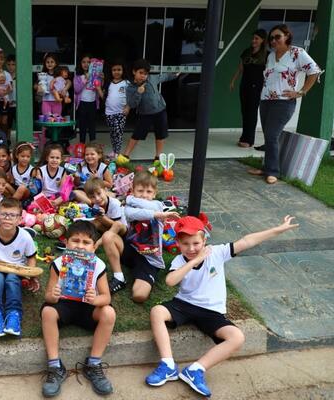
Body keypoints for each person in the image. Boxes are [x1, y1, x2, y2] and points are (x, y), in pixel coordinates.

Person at [145, 215, 298, 397]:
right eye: (185, 244)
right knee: (157, 311)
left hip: (211, 312)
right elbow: (170, 281)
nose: (191, 248)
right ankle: (168, 365)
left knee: (237, 337)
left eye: (196, 243)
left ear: (204, 241)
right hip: (184, 304)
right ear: (178, 243)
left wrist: (277, 230)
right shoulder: (179, 261)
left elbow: (247, 241)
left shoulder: (217, 252)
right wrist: (194, 261)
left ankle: (195, 370)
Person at [40, 220, 115, 397]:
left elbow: (106, 297)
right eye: (75, 240)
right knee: (47, 311)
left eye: (86, 242)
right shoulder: (59, 264)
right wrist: (54, 294)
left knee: (109, 312)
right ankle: (55, 366)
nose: (80, 246)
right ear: (66, 243)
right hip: (64, 305)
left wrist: (95, 299)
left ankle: (93, 364)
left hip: (88, 307)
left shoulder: (98, 265)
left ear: (94, 247)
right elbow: (48, 296)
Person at [247, 24, 321, 184]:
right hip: (266, 100)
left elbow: (314, 71)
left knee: (272, 135)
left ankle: (273, 172)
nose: (274, 40)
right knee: (268, 136)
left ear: (287, 36)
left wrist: (301, 91)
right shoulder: (271, 56)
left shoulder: (297, 53)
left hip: (283, 103)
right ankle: (266, 168)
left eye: (278, 37)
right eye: (271, 38)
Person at [101, 171, 179, 298]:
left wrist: (130, 198)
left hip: (150, 258)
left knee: (139, 296)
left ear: (154, 193)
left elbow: (150, 207)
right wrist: (157, 215)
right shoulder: (129, 208)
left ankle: (140, 274)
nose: (144, 195)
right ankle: (119, 278)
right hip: (131, 250)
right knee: (108, 236)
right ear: (133, 190)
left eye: (148, 192)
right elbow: (135, 214)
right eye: (140, 191)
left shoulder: (157, 205)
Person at [0, 198, 40, 337]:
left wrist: (31, 276)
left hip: (16, 270)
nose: (7, 218)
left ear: (19, 219)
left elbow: (31, 258)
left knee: (11, 279)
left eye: (12, 215)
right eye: (4, 214)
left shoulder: (25, 237)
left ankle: (13, 314)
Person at [122, 59, 180, 161]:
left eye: (145, 73)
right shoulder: (130, 88)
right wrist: (138, 93)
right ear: (134, 72)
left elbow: (164, 77)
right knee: (137, 134)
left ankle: (158, 157)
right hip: (144, 114)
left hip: (160, 111)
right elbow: (132, 104)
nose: (143, 76)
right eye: (140, 73)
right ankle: (125, 156)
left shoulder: (152, 78)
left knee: (160, 134)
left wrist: (175, 74)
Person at [229, 29, 268, 148]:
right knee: (244, 111)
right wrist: (233, 80)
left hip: (257, 86)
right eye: (253, 38)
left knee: (251, 112)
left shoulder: (266, 54)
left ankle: (249, 139)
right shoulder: (246, 52)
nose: (253, 41)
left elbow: (268, 73)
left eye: (256, 38)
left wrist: (265, 87)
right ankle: (244, 136)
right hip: (245, 84)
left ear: (262, 40)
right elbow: (240, 68)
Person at [74, 54, 104, 143]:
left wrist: (102, 79)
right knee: (82, 125)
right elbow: (76, 90)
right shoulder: (78, 76)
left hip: (93, 103)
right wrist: (85, 80)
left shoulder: (96, 75)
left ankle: (93, 145)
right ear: (80, 63)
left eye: (89, 62)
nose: (86, 64)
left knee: (92, 125)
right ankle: (82, 144)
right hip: (82, 103)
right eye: (84, 62)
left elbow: (100, 88)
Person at [104, 60, 131, 156]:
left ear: (123, 71)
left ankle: (117, 152)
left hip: (120, 112)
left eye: (119, 69)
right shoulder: (108, 83)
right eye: (114, 70)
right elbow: (104, 96)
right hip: (109, 112)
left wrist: (128, 107)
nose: (116, 72)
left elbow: (131, 96)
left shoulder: (126, 83)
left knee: (118, 133)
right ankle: (114, 150)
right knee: (112, 133)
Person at [32, 143, 67, 209]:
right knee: (33, 204)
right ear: (47, 158)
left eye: (57, 158)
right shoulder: (41, 170)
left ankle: (55, 205)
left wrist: (57, 201)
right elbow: (38, 190)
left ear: (61, 159)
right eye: (52, 157)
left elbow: (64, 190)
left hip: (58, 197)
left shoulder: (63, 171)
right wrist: (46, 200)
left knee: (71, 193)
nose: (54, 160)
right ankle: (51, 206)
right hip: (44, 196)